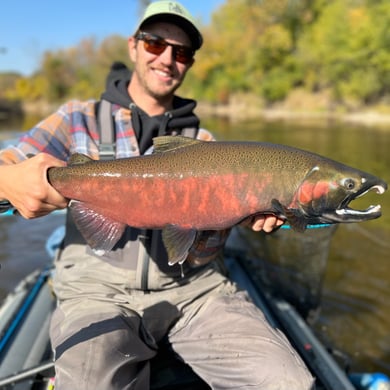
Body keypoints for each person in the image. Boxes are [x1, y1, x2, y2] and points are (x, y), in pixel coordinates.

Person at [0, 1, 314, 389]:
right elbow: (7, 165)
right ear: (133, 46)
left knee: (289, 382)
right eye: (154, 44)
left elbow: (200, 254)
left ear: (189, 63)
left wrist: (235, 215)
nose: (167, 59)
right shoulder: (74, 119)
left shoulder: (207, 146)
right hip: (96, 292)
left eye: (181, 52)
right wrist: (8, 180)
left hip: (195, 291)